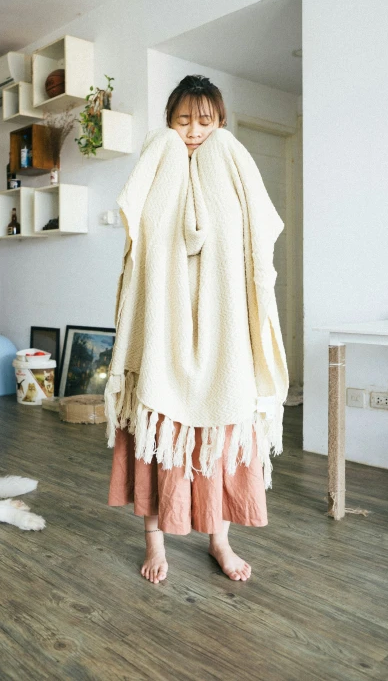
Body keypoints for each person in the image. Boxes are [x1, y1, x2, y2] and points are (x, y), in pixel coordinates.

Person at [107, 74, 288, 584]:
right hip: (164, 328)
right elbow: (142, 231)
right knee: (155, 429)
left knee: (221, 432)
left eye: (205, 121)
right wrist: (166, 147)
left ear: (221, 122)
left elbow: (255, 234)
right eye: (182, 120)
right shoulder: (161, 159)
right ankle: (154, 543)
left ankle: (220, 541)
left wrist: (216, 147)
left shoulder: (227, 161)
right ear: (168, 121)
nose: (193, 131)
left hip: (222, 333)